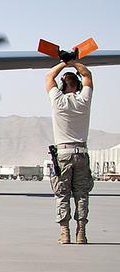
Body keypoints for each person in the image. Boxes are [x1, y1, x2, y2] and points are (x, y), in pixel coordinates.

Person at [44, 60, 94, 244]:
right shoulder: (84, 100)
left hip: (63, 154)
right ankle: (81, 233)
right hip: (81, 153)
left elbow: (49, 77)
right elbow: (88, 75)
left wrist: (63, 63)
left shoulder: (57, 100)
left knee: (62, 193)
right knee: (81, 194)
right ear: (78, 85)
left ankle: (64, 233)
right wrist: (74, 62)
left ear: (62, 86)